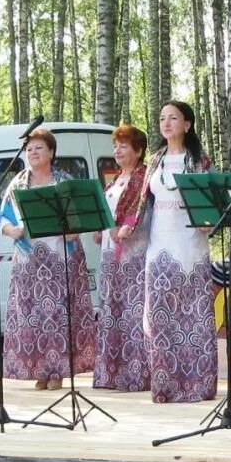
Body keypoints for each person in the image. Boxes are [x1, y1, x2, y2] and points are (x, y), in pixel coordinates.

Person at [130, 100, 217, 403]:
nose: (166, 123)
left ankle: (197, 384)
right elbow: (142, 202)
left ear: (187, 125)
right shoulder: (154, 160)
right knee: (160, 316)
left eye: (173, 118)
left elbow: (214, 204)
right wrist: (128, 227)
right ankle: (165, 385)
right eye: (162, 118)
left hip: (190, 245)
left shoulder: (201, 161)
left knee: (192, 316)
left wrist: (210, 222)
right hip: (158, 246)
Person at [0, 127, 95, 389]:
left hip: (60, 258)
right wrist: (13, 230)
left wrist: (73, 231)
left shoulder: (63, 180)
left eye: (39, 147)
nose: (33, 152)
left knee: (59, 315)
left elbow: (80, 216)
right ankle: (39, 370)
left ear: (51, 152)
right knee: (33, 316)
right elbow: (2, 218)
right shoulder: (17, 182)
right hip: (29, 263)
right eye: (29, 148)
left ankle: (59, 372)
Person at [93, 123, 151, 391]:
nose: (117, 149)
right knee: (111, 311)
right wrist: (101, 229)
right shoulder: (115, 180)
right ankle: (113, 374)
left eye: (124, 145)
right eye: (115, 145)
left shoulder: (144, 179)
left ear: (138, 150)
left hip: (133, 257)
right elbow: (107, 214)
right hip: (109, 256)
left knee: (133, 312)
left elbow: (144, 216)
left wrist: (126, 228)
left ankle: (136, 374)